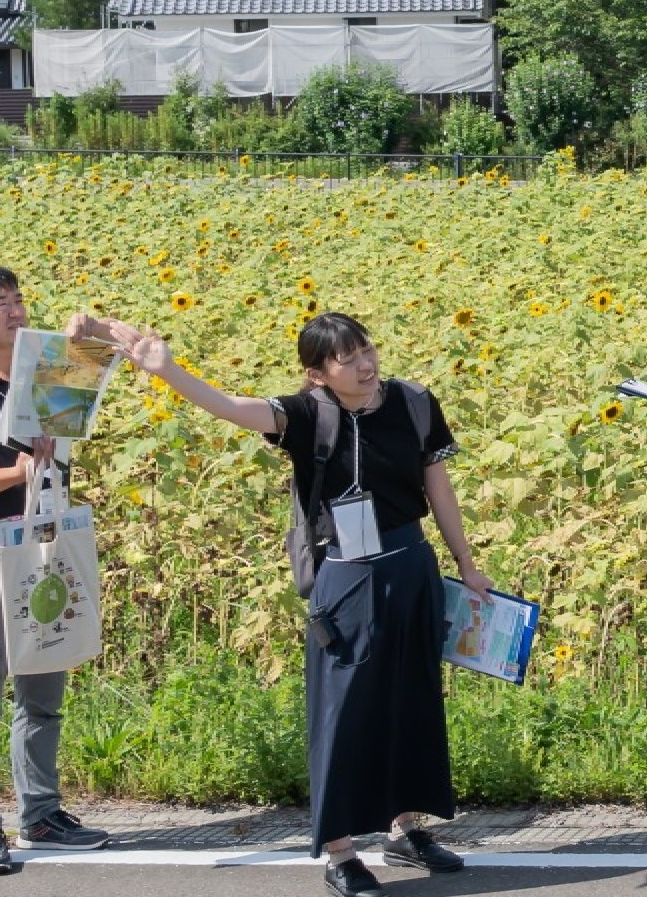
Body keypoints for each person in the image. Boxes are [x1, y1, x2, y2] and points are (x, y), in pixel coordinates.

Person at [120, 311, 488, 897]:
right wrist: (169, 371)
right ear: (317, 373)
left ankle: (403, 827)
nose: (365, 364)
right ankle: (341, 850)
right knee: (342, 710)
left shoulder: (414, 402)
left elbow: (436, 485)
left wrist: (466, 562)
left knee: (409, 698)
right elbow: (231, 407)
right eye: (347, 358)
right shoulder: (305, 414)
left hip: (411, 565)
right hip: (345, 574)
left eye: (367, 349)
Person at [0, 264, 123, 875]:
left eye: (17, 300)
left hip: (47, 548)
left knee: (44, 691)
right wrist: (15, 472)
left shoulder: (43, 374)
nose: (15, 311)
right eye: (0, 304)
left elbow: (103, 356)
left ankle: (40, 813)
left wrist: (86, 333)